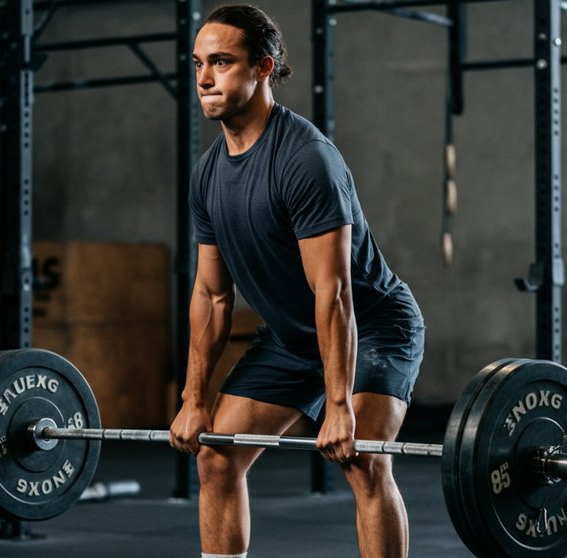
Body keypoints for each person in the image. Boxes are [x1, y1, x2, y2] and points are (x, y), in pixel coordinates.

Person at [169, 5, 425, 558]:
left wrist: (339, 406)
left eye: (221, 62)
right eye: (197, 64)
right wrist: (194, 399)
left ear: (263, 68)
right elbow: (212, 296)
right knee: (216, 456)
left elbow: (334, 295)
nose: (205, 78)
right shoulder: (209, 174)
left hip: (375, 328)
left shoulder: (305, 160)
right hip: (293, 340)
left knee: (363, 461)